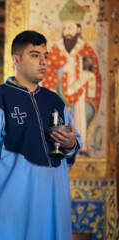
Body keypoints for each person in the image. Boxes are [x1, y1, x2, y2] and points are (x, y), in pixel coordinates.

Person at [0, 31, 82, 240]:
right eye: (34, 55)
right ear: (16, 59)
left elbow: (74, 144)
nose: (43, 62)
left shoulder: (54, 101)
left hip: (53, 196)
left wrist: (70, 143)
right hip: (13, 198)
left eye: (45, 56)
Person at [42, 0, 102, 155]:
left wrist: (83, 78)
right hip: (58, 96)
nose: (67, 31)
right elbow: (48, 76)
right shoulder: (55, 51)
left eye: (70, 27)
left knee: (81, 103)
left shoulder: (86, 51)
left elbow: (91, 76)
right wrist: (62, 71)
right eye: (65, 28)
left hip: (80, 99)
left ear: (78, 28)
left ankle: (80, 145)